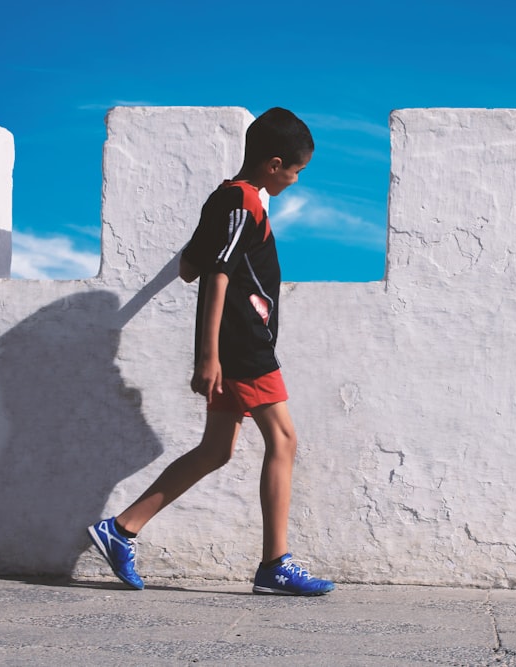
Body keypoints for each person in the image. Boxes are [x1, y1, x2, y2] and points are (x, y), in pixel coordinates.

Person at [87, 107, 334, 596]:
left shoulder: (225, 199)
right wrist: (209, 355)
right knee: (283, 440)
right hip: (245, 346)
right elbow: (215, 277)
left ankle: (121, 529)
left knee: (216, 449)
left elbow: (189, 266)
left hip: (237, 344)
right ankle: (275, 564)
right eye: (295, 171)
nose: (295, 181)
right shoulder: (245, 203)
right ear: (273, 163)